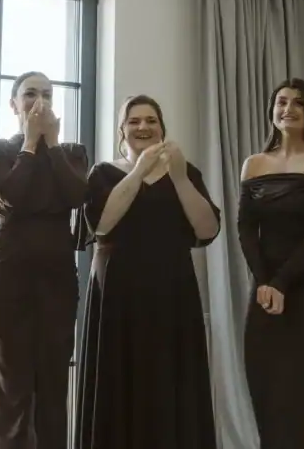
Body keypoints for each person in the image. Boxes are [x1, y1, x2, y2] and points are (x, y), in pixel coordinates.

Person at [74, 94, 220, 449]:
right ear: (121, 130)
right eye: (134, 121)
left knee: (172, 382)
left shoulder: (186, 172)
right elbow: (101, 225)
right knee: (119, 381)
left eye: (151, 120)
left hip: (173, 292)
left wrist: (180, 178)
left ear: (162, 128)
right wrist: (139, 171)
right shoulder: (103, 173)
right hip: (118, 294)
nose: (143, 127)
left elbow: (208, 230)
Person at [0, 70, 89, 449]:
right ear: (14, 104)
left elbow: (77, 196)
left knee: (53, 382)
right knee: (11, 385)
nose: (39, 102)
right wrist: (29, 143)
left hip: (57, 274)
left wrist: (52, 145)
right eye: (30, 94)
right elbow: (12, 194)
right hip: (8, 272)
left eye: (46, 94)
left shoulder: (73, 152)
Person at [239, 78, 304, 449]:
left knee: (300, 386)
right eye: (282, 102)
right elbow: (245, 229)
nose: (289, 109)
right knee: (263, 380)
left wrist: (281, 282)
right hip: (265, 286)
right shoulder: (254, 164)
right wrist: (265, 281)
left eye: (299, 103)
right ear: (272, 110)